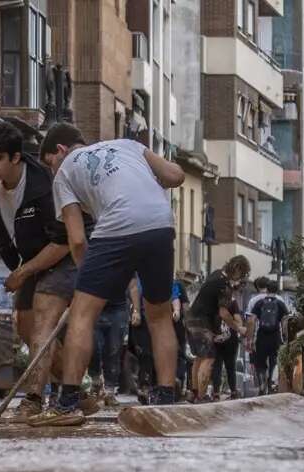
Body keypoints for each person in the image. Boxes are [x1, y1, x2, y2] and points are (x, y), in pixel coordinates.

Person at [34, 123, 187, 427]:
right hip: (160, 223)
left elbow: (76, 240)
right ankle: (165, 398)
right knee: (158, 314)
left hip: (116, 225)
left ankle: (67, 403)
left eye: (51, 162)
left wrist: (87, 277)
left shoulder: (65, 173)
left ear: (61, 151)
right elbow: (176, 176)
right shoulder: (129, 145)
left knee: (82, 314)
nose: (53, 170)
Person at [0, 122, 89, 420]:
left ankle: (34, 399)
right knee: (26, 328)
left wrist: (23, 273)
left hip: (61, 257)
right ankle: (78, 392)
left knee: (41, 324)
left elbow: (62, 241)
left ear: (16, 158)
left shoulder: (45, 183)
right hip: (28, 261)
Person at [186, 256, 251, 401]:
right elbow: (224, 313)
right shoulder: (224, 285)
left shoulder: (215, 274)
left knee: (199, 357)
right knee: (208, 359)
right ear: (237, 269)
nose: (240, 279)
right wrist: (238, 328)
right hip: (202, 323)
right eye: (242, 274)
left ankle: (194, 393)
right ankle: (201, 398)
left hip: (191, 319)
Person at [247, 277, 290, 394]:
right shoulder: (280, 303)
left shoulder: (259, 303)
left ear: (266, 290)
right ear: (276, 291)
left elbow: (251, 321)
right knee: (274, 361)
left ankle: (262, 384)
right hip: (275, 336)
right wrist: (286, 338)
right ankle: (271, 383)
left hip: (261, 336)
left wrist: (249, 339)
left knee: (260, 362)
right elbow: (285, 322)